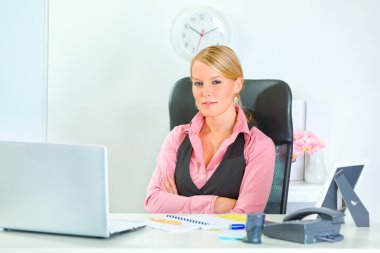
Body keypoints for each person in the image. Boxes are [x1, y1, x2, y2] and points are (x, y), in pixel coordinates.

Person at [144, 45, 275, 214]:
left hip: (228, 241)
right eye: (198, 83)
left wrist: (178, 204)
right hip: (177, 239)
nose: (205, 92)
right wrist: (217, 205)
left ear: (237, 85)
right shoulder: (177, 138)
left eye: (216, 82)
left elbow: (245, 215)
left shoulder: (258, 145)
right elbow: (153, 202)